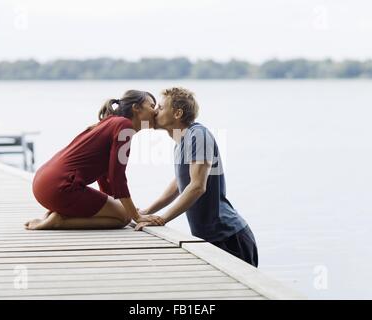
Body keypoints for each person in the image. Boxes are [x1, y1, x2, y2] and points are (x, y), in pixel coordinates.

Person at [136, 87, 258, 267]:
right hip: (211, 237)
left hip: (229, 236)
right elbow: (180, 183)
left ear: (177, 113)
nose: (155, 111)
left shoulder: (198, 135)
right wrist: (147, 212)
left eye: (161, 108)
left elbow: (197, 186)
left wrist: (162, 219)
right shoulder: (181, 143)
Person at [25, 90, 165, 230]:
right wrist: (136, 216)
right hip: (61, 188)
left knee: (122, 212)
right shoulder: (125, 126)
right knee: (125, 218)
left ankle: (55, 215)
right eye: (152, 106)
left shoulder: (111, 122)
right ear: (136, 108)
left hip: (43, 184)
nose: (155, 112)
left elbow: (105, 175)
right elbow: (117, 176)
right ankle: (59, 221)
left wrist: (115, 205)